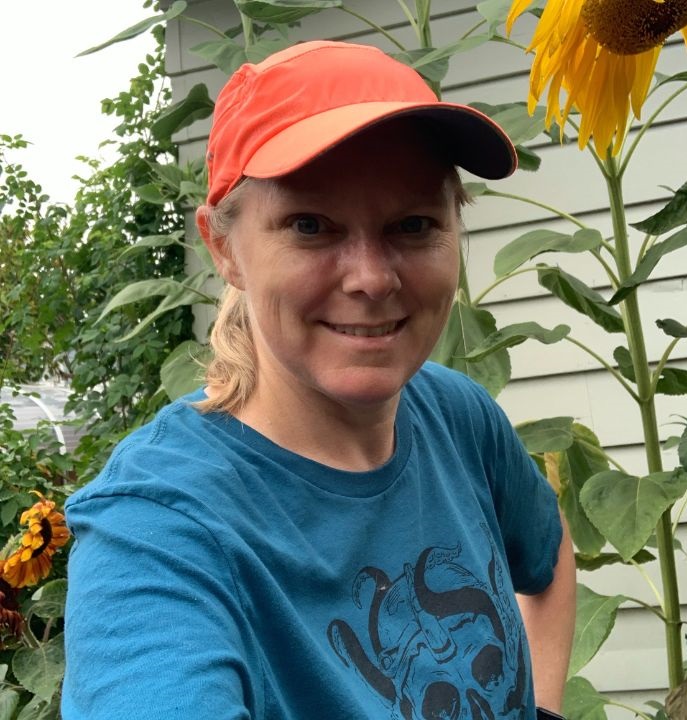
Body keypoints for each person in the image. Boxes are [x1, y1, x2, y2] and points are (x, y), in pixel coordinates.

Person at [62, 40, 576, 720]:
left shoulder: (456, 418)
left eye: (413, 224)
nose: (371, 278)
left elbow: (549, 556)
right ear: (223, 247)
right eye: (310, 226)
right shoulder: (159, 531)